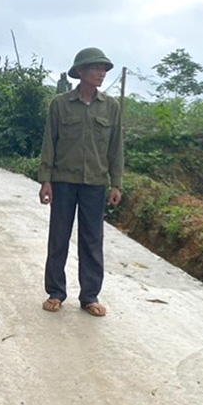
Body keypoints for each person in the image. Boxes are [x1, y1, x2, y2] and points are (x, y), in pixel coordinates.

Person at [38, 47, 124, 317]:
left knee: (92, 240)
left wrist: (116, 183)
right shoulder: (60, 104)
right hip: (63, 181)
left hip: (95, 183)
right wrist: (45, 180)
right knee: (58, 238)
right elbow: (49, 143)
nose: (101, 73)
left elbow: (116, 147)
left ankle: (90, 296)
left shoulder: (111, 107)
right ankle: (55, 292)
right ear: (81, 71)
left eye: (104, 69)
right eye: (96, 68)